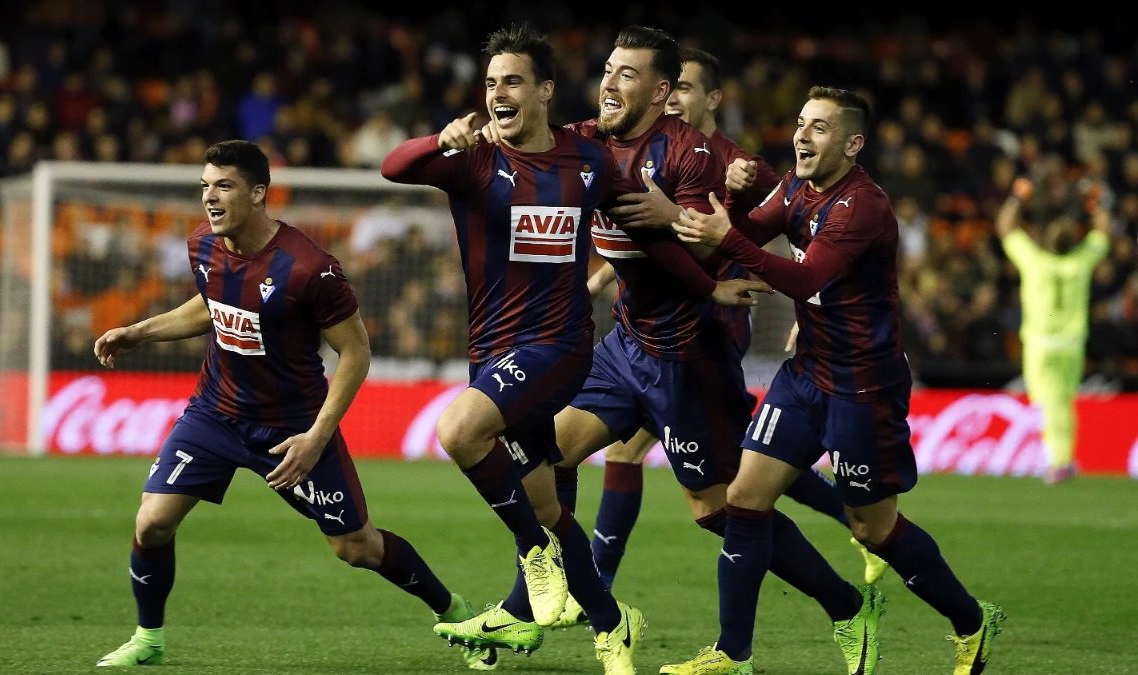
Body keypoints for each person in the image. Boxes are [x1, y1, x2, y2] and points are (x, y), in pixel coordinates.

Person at [379, 24, 758, 675]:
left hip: (560, 346)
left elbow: (652, 233)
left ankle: (532, 557)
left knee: (459, 429)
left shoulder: (588, 164)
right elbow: (394, 166)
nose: (500, 92)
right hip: (494, 352)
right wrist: (439, 138)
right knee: (551, 505)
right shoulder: (474, 159)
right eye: (492, 82)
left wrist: (709, 287)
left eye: (514, 80)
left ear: (545, 89)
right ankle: (613, 625)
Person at [94, 140, 495, 670]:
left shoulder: (309, 268)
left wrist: (318, 436)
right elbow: (211, 303)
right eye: (205, 187)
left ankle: (458, 613)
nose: (210, 199)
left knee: (356, 548)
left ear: (258, 193)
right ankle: (148, 637)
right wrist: (140, 332)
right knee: (152, 523)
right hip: (214, 413)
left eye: (224, 186)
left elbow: (355, 352)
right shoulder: (203, 245)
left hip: (293, 429)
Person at [668, 87, 1006, 675]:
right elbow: (746, 228)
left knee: (871, 528)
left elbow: (805, 277)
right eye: (800, 123)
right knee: (744, 498)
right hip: (806, 373)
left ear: (852, 143)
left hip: (864, 385)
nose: (801, 135)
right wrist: (733, 196)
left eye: (819, 128)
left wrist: (728, 235)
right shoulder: (799, 187)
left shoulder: (864, 206)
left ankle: (972, 622)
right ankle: (732, 654)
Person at [564, 47, 885, 604]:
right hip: (636, 333)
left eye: (685, 89)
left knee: (729, 492)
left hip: (700, 333)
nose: (674, 100)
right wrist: (603, 278)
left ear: (709, 98)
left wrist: (738, 200)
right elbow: (645, 244)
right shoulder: (636, 144)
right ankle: (580, 592)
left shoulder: (726, 161)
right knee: (572, 455)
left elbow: (779, 236)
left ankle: (850, 565)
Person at [997, 177, 1112, 484]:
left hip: (1041, 345)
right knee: (1062, 401)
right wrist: (1095, 201)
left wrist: (1019, 196)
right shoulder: (1080, 263)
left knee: (1050, 402)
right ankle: (1063, 458)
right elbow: (1103, 231)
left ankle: (1059, 461)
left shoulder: (1034, 261)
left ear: (1046, 240)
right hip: (1072, 345)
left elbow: (1006, 226)